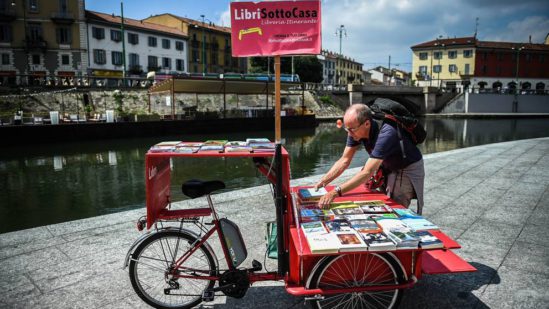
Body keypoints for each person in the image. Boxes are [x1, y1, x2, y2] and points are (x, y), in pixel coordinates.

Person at [315, 103, 425, 213]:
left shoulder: (387, 132)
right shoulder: (354, 128)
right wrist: (324, 181)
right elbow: (344, 160)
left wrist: (335, 192)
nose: (349, 133)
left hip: (406, 166)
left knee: (396, 207)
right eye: (346, 129)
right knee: (382, 201)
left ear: (367, 123)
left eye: (351, 129)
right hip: (387, 163)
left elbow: (367, 172)